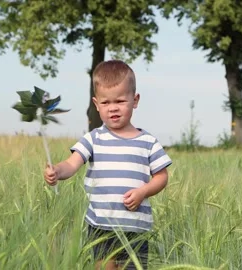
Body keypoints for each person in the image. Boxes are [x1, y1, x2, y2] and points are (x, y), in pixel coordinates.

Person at [44, 60, 172, 269]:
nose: (113, 108)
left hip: (135, 227)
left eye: (120, 101)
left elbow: (161, 177)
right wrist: (57, 171)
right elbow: (72, 163)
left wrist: (143, 192)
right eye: (105, 103)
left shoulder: (148, 142)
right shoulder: (93, 138)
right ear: (96, 104)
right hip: (101, 225)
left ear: (135, 100)